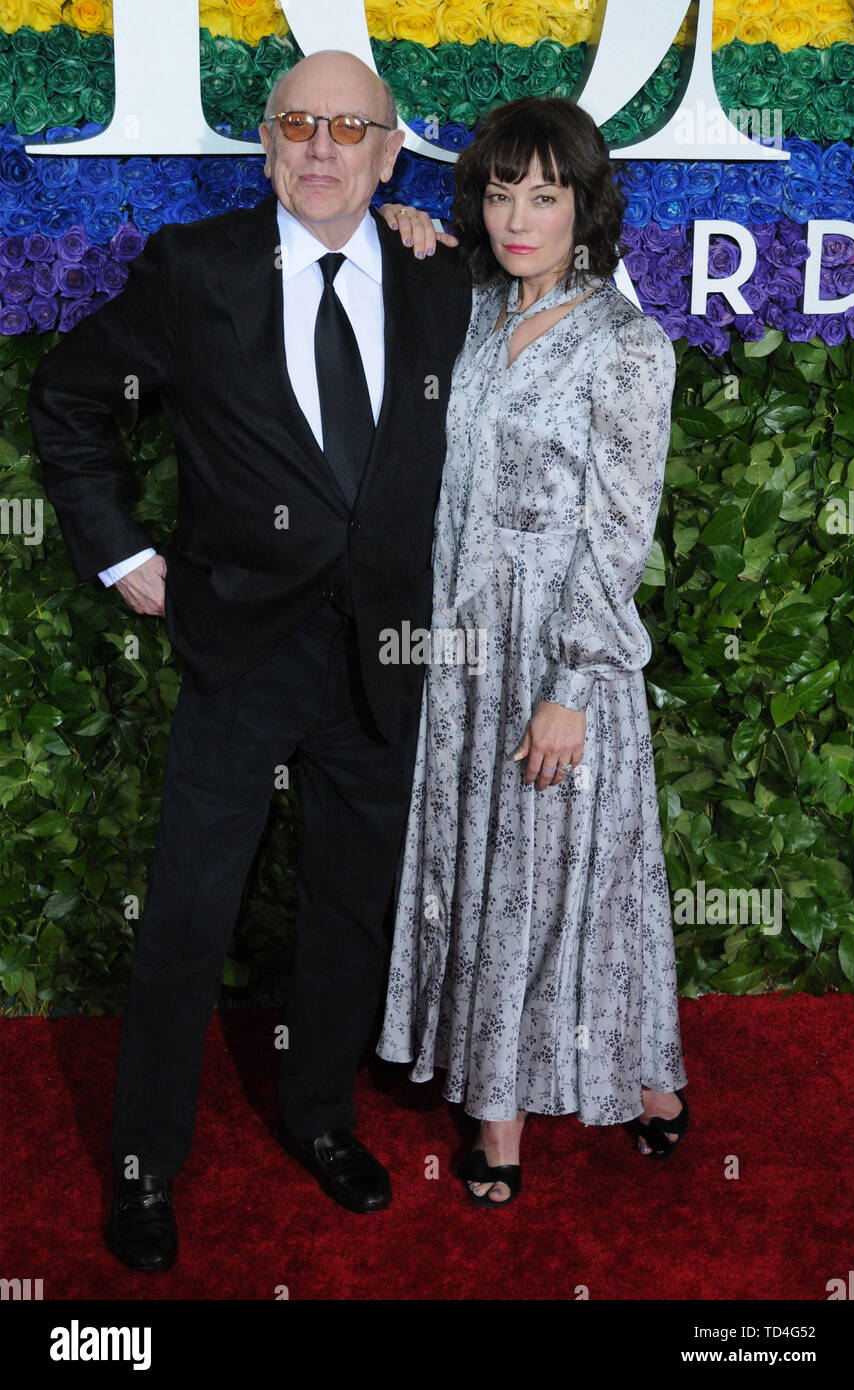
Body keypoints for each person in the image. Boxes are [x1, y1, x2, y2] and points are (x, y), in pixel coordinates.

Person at [28, 50, 471, 1269]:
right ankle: (143, 1164)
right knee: (186, 916)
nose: (320, 147)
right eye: (296, 125)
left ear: (391, 154)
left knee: (349, 906)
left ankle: (321, 1116)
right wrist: (121, 553)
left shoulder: (440, 274)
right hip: (238, 651)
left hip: (387, 651)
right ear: (268, 145)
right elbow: (72, 400)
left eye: (348, 128)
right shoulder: (196, 270)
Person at [375, 97, 689, 1205]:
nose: (517, 216)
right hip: (460, 644)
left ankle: (612, 1090)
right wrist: (407, 228)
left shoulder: (625, 344)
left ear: (583, 205)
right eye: (500, 192)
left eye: (543, 195)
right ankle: (504, 1092)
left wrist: (572, 686)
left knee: (572, 875)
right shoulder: (463, 313)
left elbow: (619, 528)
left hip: (562, 649)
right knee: (484, 866)